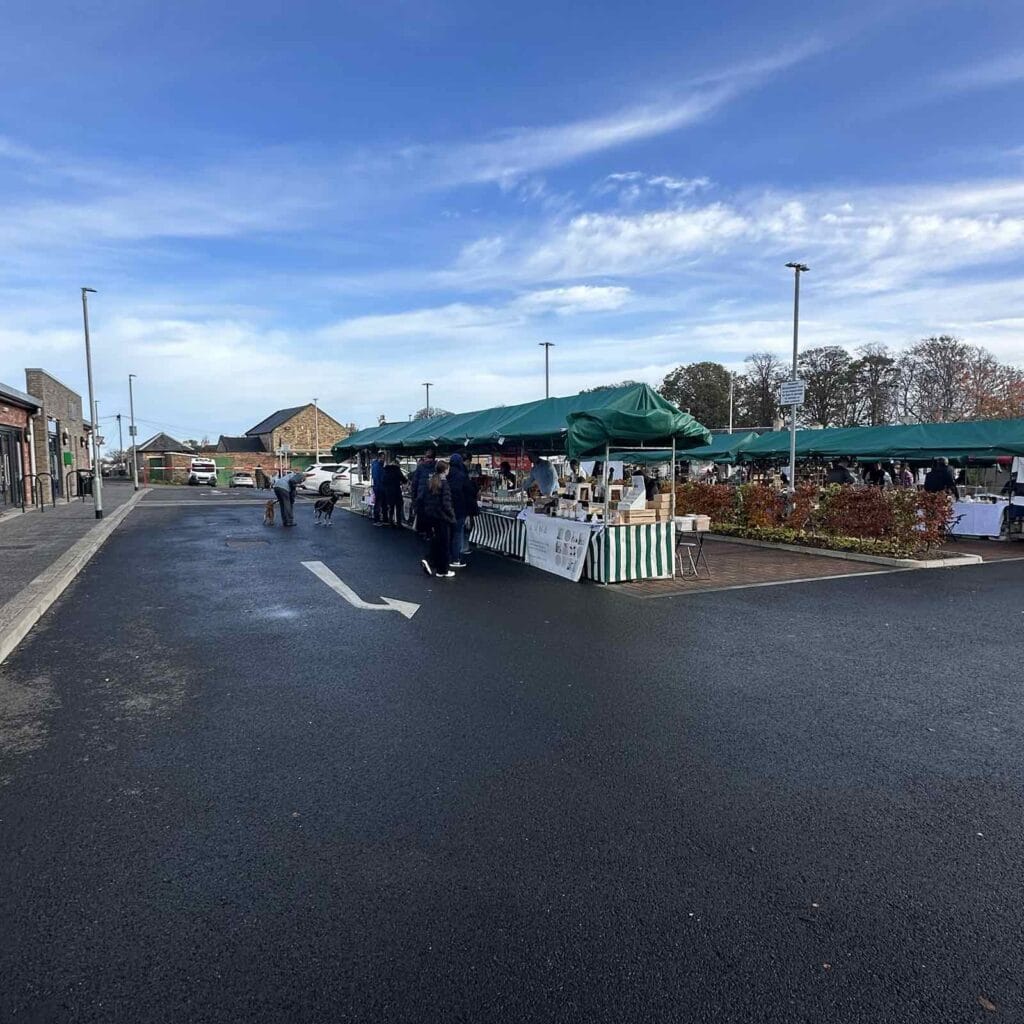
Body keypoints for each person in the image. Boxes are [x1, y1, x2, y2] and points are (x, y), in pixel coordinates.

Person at [420, 460, 456, 578]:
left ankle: (433, 562)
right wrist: (451, 516)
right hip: (442, 517)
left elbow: (422, 498)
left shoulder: (430, 482)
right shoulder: (445, 484)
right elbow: (446, 503)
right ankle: (442, 569)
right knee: (444, 544)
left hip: (431, 516)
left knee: (437, 541)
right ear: (446, 470)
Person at [447, 453, 477, 568]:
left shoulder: (447, 474)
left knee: (448, 533)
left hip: (447, 508)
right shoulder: (462, 476)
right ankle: (456, 558)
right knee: (457, 533)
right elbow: (469, 491)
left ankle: (448, 556)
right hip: (460, 508)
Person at [409, 448, 437, 537]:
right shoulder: (437, 468)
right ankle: (429, 533)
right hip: (433, 497)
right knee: (431, 516)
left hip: (421, 496)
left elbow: (414, 484)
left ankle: (422, 532)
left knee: (421, 515)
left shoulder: (420, 467)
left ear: (425, 457)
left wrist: (414, 497)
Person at [381, 454, 406, 527]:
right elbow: (403, 479)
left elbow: (383, 481)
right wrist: (403, 481)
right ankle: (398, 523)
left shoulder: (385, 470)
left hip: (388, 491)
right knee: (398, 507)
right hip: (396, 491)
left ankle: (390, 521)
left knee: (391, 507)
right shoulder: (396, 469)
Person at [370, 451, 385, 525]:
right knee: (378, 504)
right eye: (383, 457)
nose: (384, 459)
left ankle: (377, 519)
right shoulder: (378, 466)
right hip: (379, 487)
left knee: (378, 504)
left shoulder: (375, 465)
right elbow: (377, 477)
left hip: (378, 487)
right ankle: (377, 520)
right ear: (380, 457)